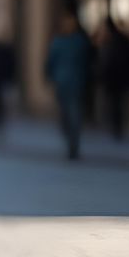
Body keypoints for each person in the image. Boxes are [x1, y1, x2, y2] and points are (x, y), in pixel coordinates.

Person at [44, 11, 93, 160]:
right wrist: (49, 75)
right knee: (66, 114)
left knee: (73, 114)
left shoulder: (79, 42)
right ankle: (70, 141)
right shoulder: (59, 42)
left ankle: (74, 145)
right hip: (63, 83)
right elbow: (50, 61)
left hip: (74, 83)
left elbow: (88, 61)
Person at [97, 18, 129, 141]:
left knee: (115, 105)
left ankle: (117, 127)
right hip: (118, 79)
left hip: (115, 79)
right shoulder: (118, 40)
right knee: (117, 105)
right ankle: (117, 127)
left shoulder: (112, 42)